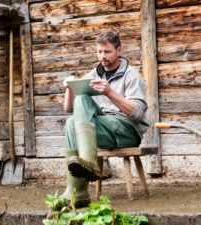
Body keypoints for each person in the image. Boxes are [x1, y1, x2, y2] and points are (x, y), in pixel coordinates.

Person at [60, 30, 149, 207]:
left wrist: (109, 92)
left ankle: (88, 163)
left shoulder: (131, 75)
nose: (102, 56)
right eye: (99, 51)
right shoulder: (93, 74)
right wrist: (70, 88)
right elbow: (69, 108)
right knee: (71, 121)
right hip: (101, 128)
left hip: (125, 130)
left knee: (78, 113)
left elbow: (137, 113)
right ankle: (77, 192)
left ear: (118, 50)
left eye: (107, 51)